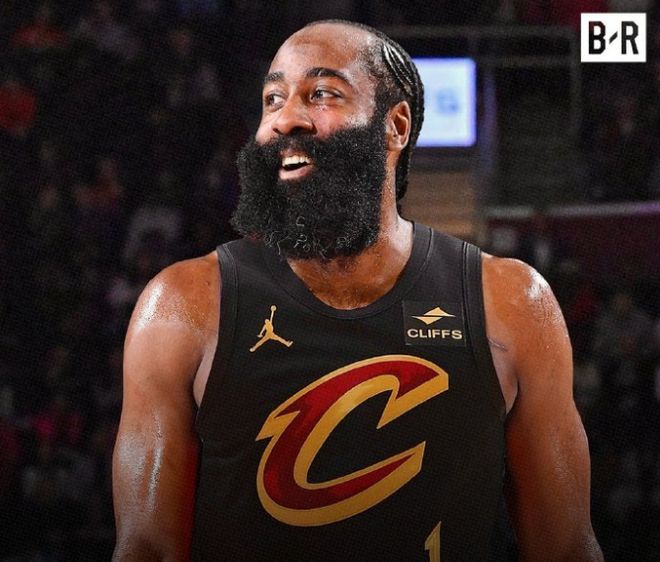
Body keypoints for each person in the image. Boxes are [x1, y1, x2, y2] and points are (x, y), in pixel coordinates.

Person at [112, 20, 603, 561]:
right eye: (272, 99)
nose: (285, 118)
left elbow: (566, 549)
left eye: (321, 93)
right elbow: (146, 549)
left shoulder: (510, 302)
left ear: (396, 126)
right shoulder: (183, 305)